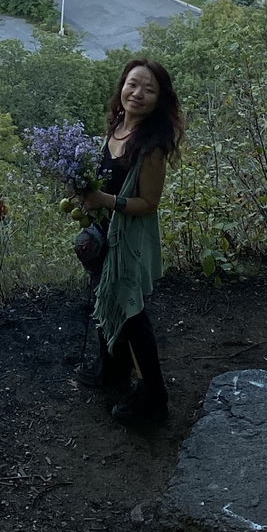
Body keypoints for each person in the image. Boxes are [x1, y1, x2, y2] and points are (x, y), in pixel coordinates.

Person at [67, 55, 185, 425]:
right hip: (105, 234)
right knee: (106, 299)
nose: (137, 93)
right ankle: (113, 369)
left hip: (129, 240)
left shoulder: (151, 146)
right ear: (122, 87)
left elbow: (149, 204)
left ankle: (154, 395)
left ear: (159, 100)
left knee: (132, 313)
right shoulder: (116, 127)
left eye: (149, 89)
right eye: (132, 84)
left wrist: (105, 201)